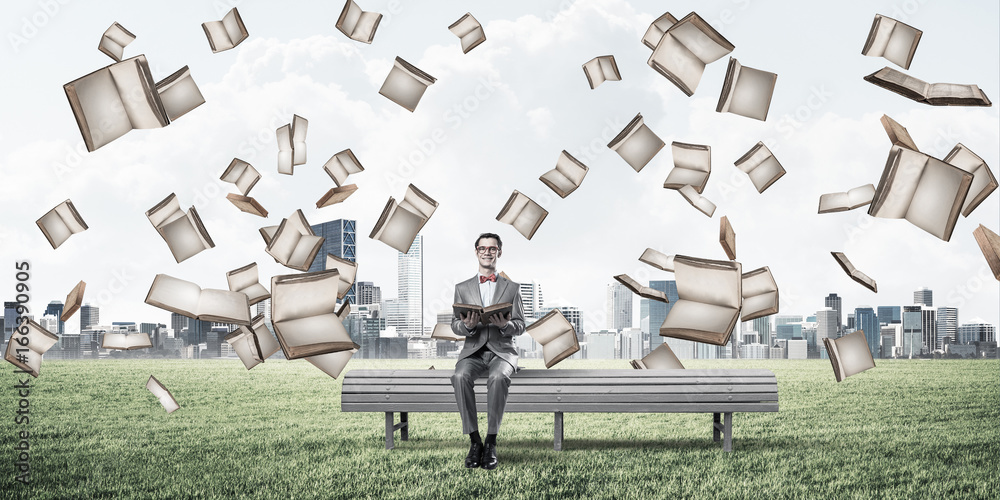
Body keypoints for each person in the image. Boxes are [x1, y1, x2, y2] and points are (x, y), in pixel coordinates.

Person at [450, 232, 525, 470]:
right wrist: (467, 326)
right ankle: (474, 441)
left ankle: (491, 441)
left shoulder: (512, 288)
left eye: (492, 249)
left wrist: (506, 325)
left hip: (502, 351)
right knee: (459, 376)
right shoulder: (461, 288)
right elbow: (454, 324)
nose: (487, 252)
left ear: (498, 253)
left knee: (499, 377)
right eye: (482, 248)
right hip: (473, 350)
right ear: (476, 252)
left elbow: (521, 325)